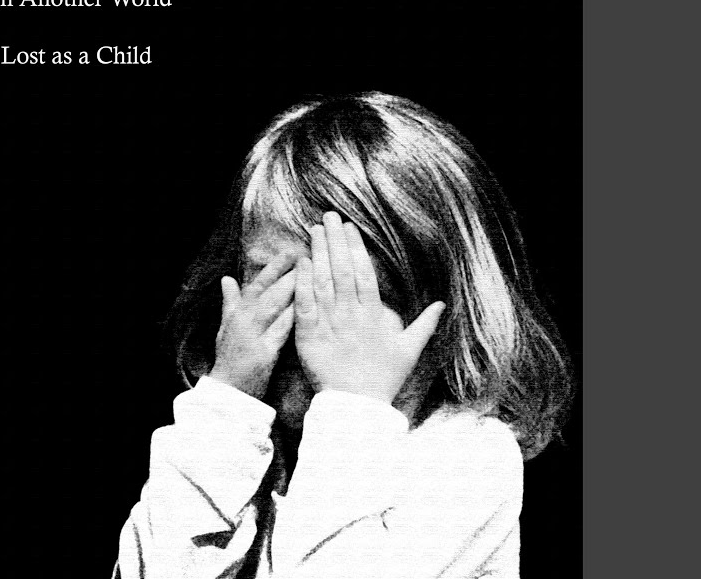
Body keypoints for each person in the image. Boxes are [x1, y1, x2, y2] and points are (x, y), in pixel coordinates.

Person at [114, 92, 573, 578]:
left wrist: (351, 410)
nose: (305, 327)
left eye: (343, 293)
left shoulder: (466, 458)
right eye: (274, 279)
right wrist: (226, 405)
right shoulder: (245, 443)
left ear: (440, 311)